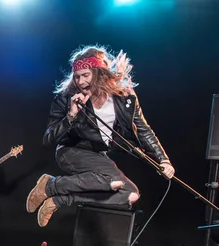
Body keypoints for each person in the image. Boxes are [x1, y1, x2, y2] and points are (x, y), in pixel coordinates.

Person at [27, 45, 175, 228]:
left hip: (97, 155)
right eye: (77, 76)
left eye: (85, 75)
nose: (80, 81)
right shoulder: (66, 98)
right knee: (111, 180)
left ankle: (60, 200)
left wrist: (164, 160)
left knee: (129, 194)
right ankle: (51, 185)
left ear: (98, 72)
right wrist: (71, 115)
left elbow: (143, 129)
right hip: (71, 151)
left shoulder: (124, 97)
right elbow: (48, 139)